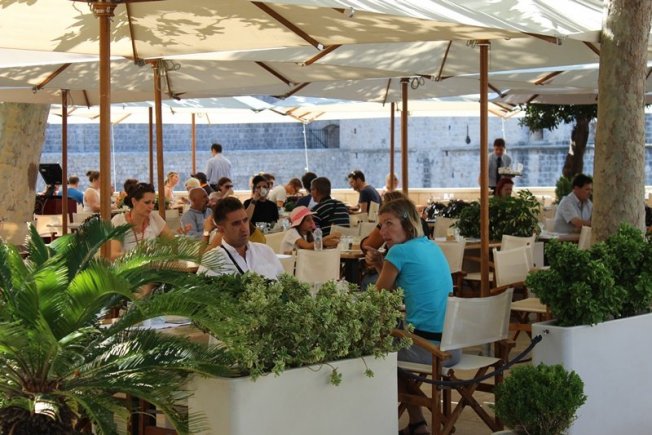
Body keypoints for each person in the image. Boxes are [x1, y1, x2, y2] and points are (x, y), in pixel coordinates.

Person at [365, 198, 458, 434]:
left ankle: (377, 422)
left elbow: (377, 299)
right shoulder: (430, 246)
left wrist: (381, 265)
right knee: (392, 349)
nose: (383, 232)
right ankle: (417, 424)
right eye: (381, 225)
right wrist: (381, 265)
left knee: (375, 352)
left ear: (407, 224)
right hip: (453, 346)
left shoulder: (398, 251)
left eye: (389, 223)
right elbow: (398, 292)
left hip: (429, 349)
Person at [198, 197, 283, 279]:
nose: (244, 228)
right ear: (221, 229)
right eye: (236, 224)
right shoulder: (212, 262)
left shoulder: (265, 251)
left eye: (245, 220)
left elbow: (285, 283)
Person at [110, 182, 174, 257]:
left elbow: (173, 244)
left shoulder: (154, 218)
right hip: (127, 264)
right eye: (147, 202)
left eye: (153, 202)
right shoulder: (119, 221)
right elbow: (112, 255)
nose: (151, 206)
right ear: (134, 201)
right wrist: (139, 255)